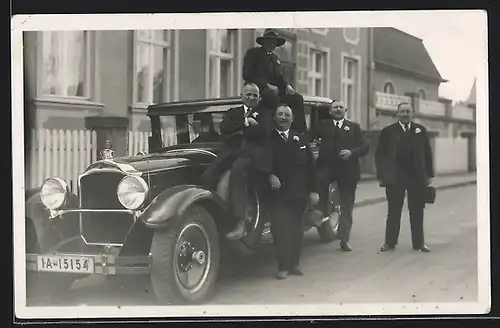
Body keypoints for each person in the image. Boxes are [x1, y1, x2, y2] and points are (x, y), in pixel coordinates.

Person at [202, 83, 275, 240]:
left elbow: (263, 131)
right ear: (241, 96)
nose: (251, 98)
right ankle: (210, 217)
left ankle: (240, 221)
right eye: (248, 94)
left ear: (259, 98)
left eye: (255, 95)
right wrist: (245, 123)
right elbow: (224, 128)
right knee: (208, 176)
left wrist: (244, 128)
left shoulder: (266, 113)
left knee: (238, 171)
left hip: (254, 154)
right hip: (231, 151)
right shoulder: (233, 112)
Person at [375, 101, 434, 253]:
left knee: (417, 211)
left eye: (408, 111)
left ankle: (419, 243)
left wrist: (429, 174)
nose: (405, 114)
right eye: (402, 111)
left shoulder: (420, 130)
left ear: (412, 113)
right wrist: (381, 175)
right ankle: (389, 243)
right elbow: (380, 155)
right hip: (395, 177)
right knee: (394, 211)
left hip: (416, 177)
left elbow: (427, 153)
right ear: (397, 114)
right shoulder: (388, 131)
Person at [268, 104, 319, 279]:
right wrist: (270, 174)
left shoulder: (301, 138)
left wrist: (313, 191)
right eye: (280, 114)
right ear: (275, 117)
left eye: (286, 115)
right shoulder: (269, 138)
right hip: (278, 194)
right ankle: (282, 266)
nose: (283, 117)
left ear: (292, 119)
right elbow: (261, 161)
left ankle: (294, 265)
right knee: (280, 230)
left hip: (299, 193)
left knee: (297, 230)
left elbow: (311, 167)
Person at [312, 100, 369, 251]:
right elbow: (308, 137)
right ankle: (323, 219)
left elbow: (365, 146)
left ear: (346, 110)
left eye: (340, 107)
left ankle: (344, 239)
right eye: (335, 107)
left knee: (346, 204)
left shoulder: (354, 127)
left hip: (348, 170)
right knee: (319, 188)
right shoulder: (323, 126)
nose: (338, 109)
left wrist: (352, 152)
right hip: (328, 168)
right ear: (330, 111)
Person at [242, 28, 307, 134]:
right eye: (269, 41)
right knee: (274, 98)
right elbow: (247, 74)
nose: (272, 45)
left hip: (274, 90)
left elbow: (278, 77)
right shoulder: (253, 54)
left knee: (297, 98)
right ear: (264, 42)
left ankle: (299, 131)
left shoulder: (275, 58)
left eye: (274, 43)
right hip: (257, 89)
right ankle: (277, 131)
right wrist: (266, 85)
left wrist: (287, 85)